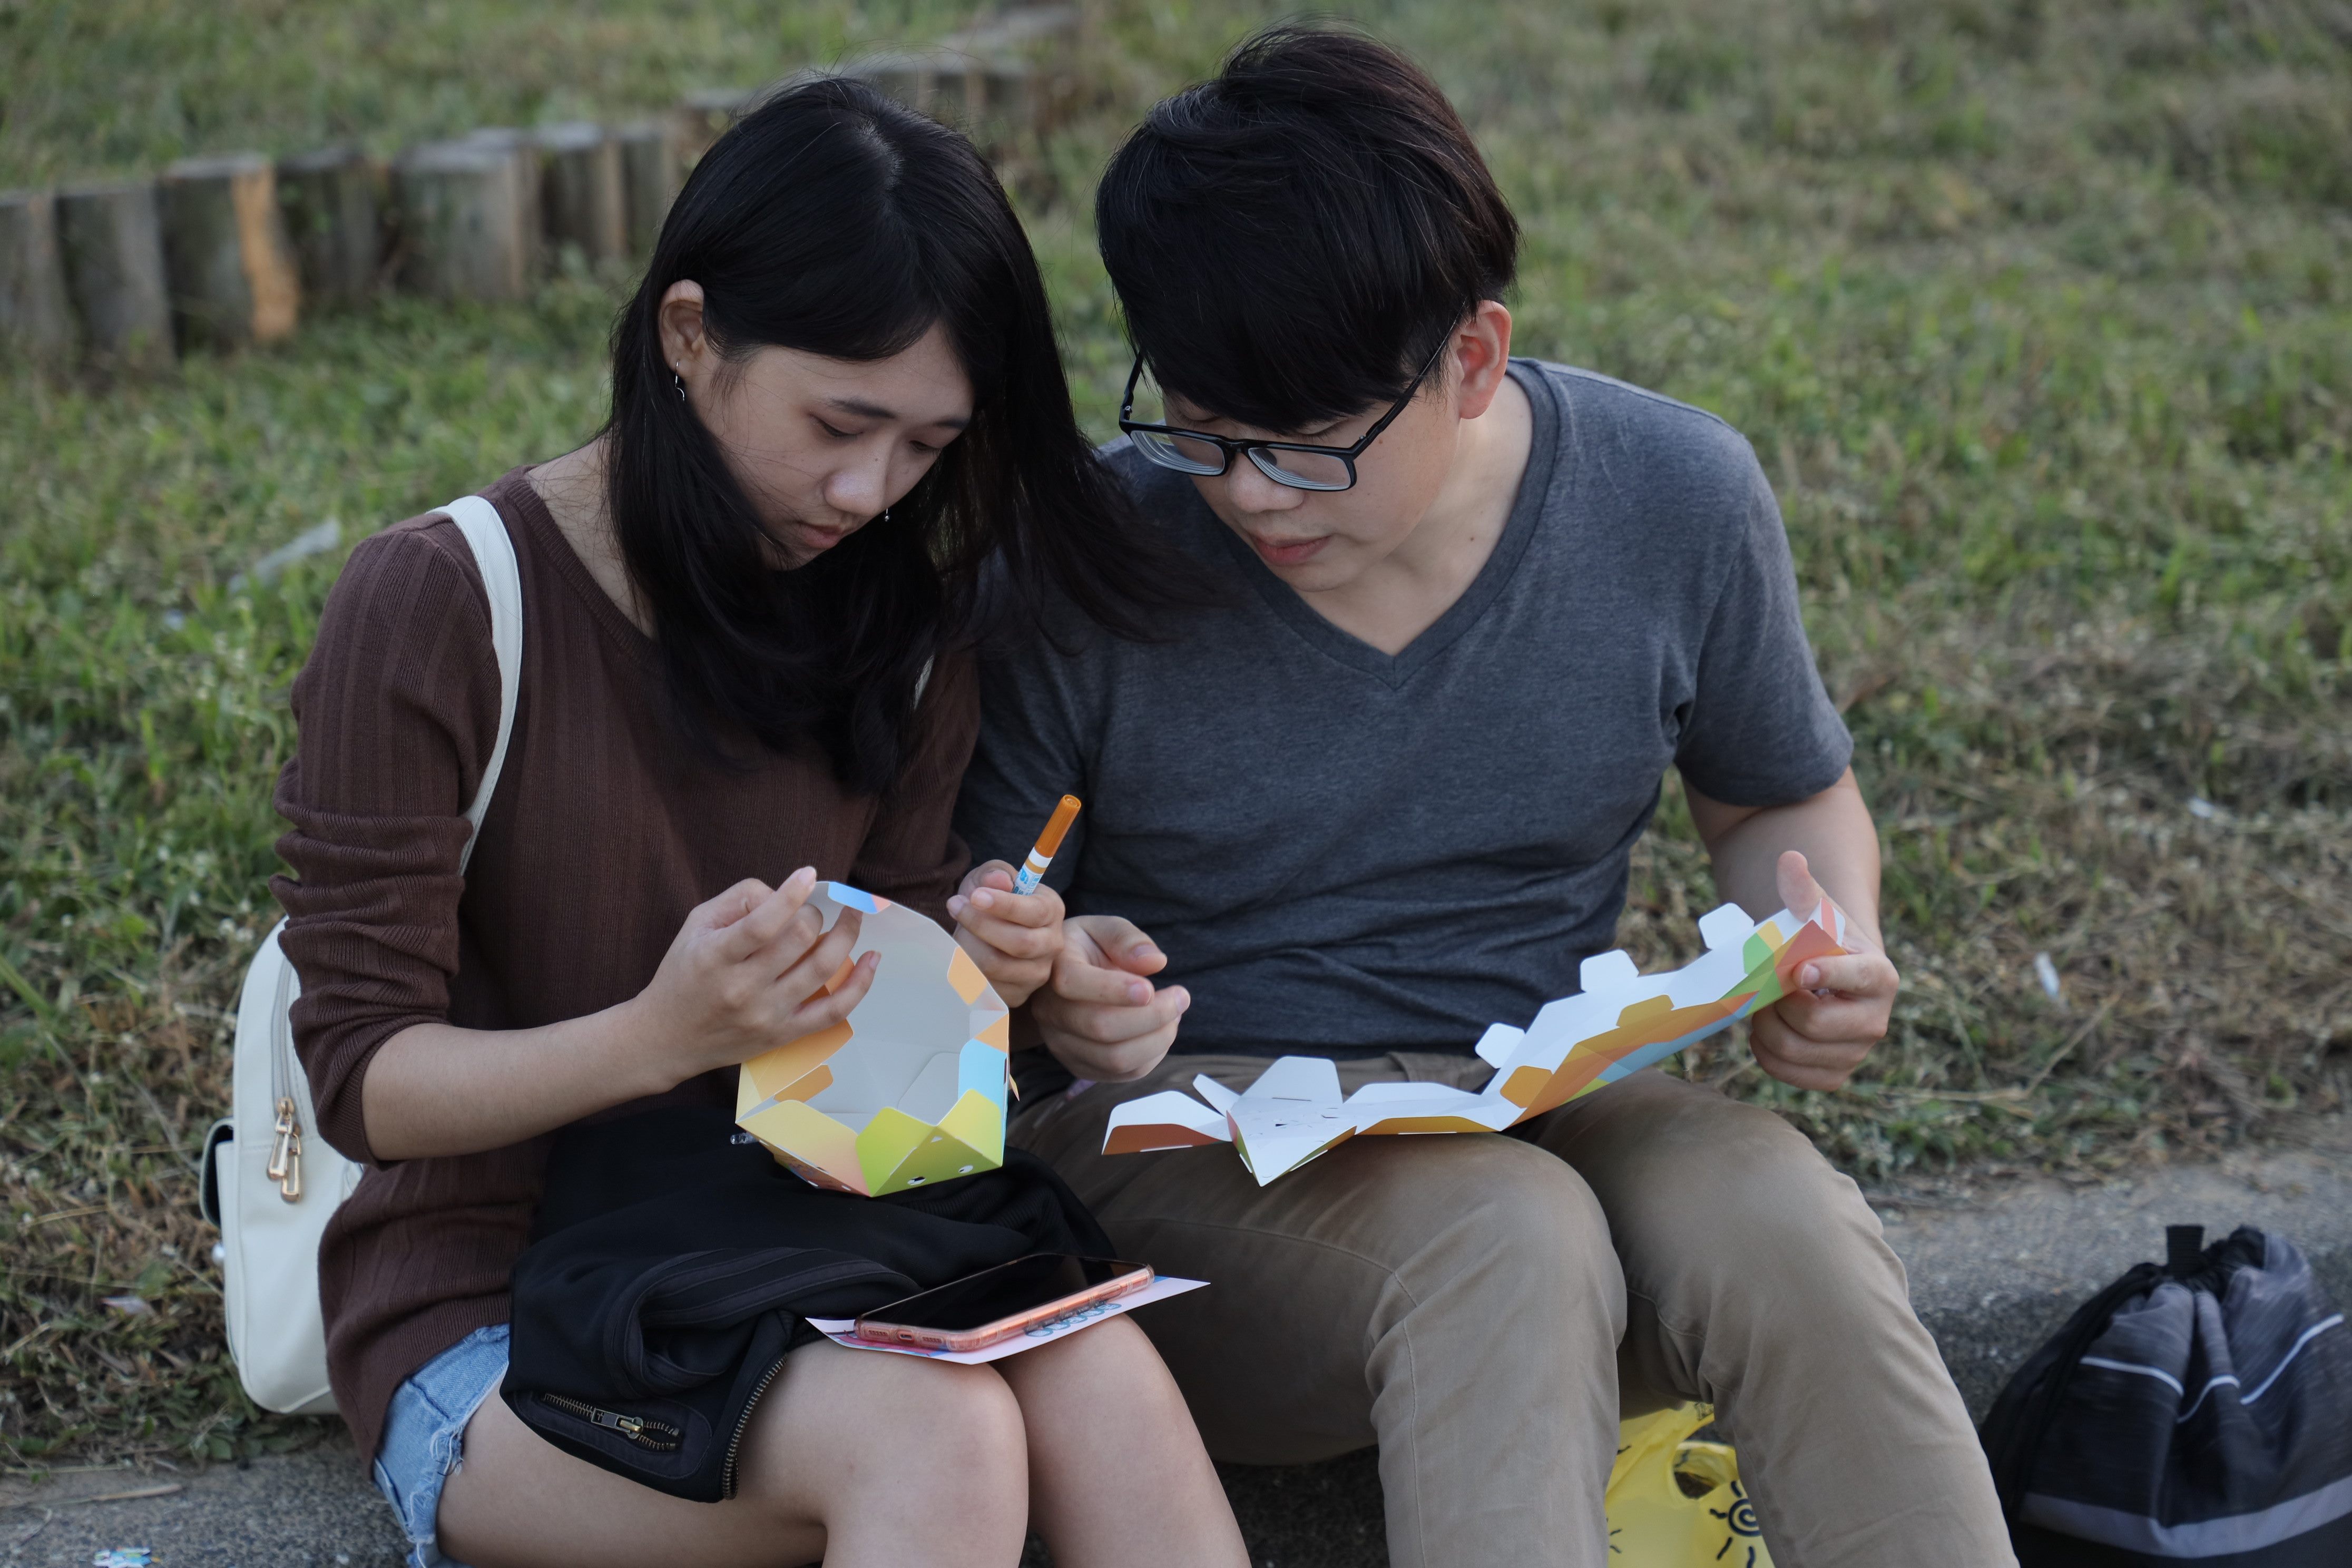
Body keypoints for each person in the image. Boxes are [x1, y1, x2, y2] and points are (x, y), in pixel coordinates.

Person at [956, 26, 2015, 1568]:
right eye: (1198, 425)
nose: (1246, 490)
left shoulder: (1675, 497)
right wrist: (1059, 978)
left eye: (1309, 447)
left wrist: (1827, 937)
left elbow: (1782, 797)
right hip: (1192, 1152)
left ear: (1473, 357)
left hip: (1535, 1082)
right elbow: (977, 914)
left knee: (1780, 1219)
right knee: (1503, 1241)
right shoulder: (1090, 555)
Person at [272, 78, 1246, 1568]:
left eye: (927, 448)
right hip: (492, 1311)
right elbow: (362, 1082)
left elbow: (880, 1067)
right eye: (840, 425)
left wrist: (1024, 987)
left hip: (800, 1246)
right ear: (688, 335)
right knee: (940, 1433)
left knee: (1102, 1375)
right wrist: (661, 1035)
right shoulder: (445, 603)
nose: (870, 491)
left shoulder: (904, 628)